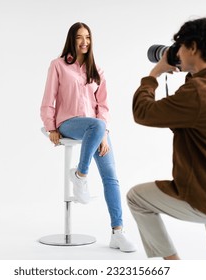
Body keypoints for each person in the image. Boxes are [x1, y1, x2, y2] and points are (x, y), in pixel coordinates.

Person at [127, 16, 206, 260]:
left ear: (194, 47)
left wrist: (155, 74)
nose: (179, 53)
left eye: (181, 47)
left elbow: (142, 112)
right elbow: (202, 122)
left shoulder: (198, 92)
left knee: (137, 198)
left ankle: (171, 266)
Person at [40, 22, 136, 252]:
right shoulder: (58, 65)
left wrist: (103, 133)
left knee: (111, 176)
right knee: (94, 125)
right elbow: (47, 100)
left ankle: (118, 232)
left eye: (88, 37)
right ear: (71, 40)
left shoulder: (97, 71)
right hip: (69, 123)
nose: (84, 42)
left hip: (96, 128)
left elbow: (103, 106)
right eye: (79, 37)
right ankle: (81, 175)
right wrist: (51, 127)